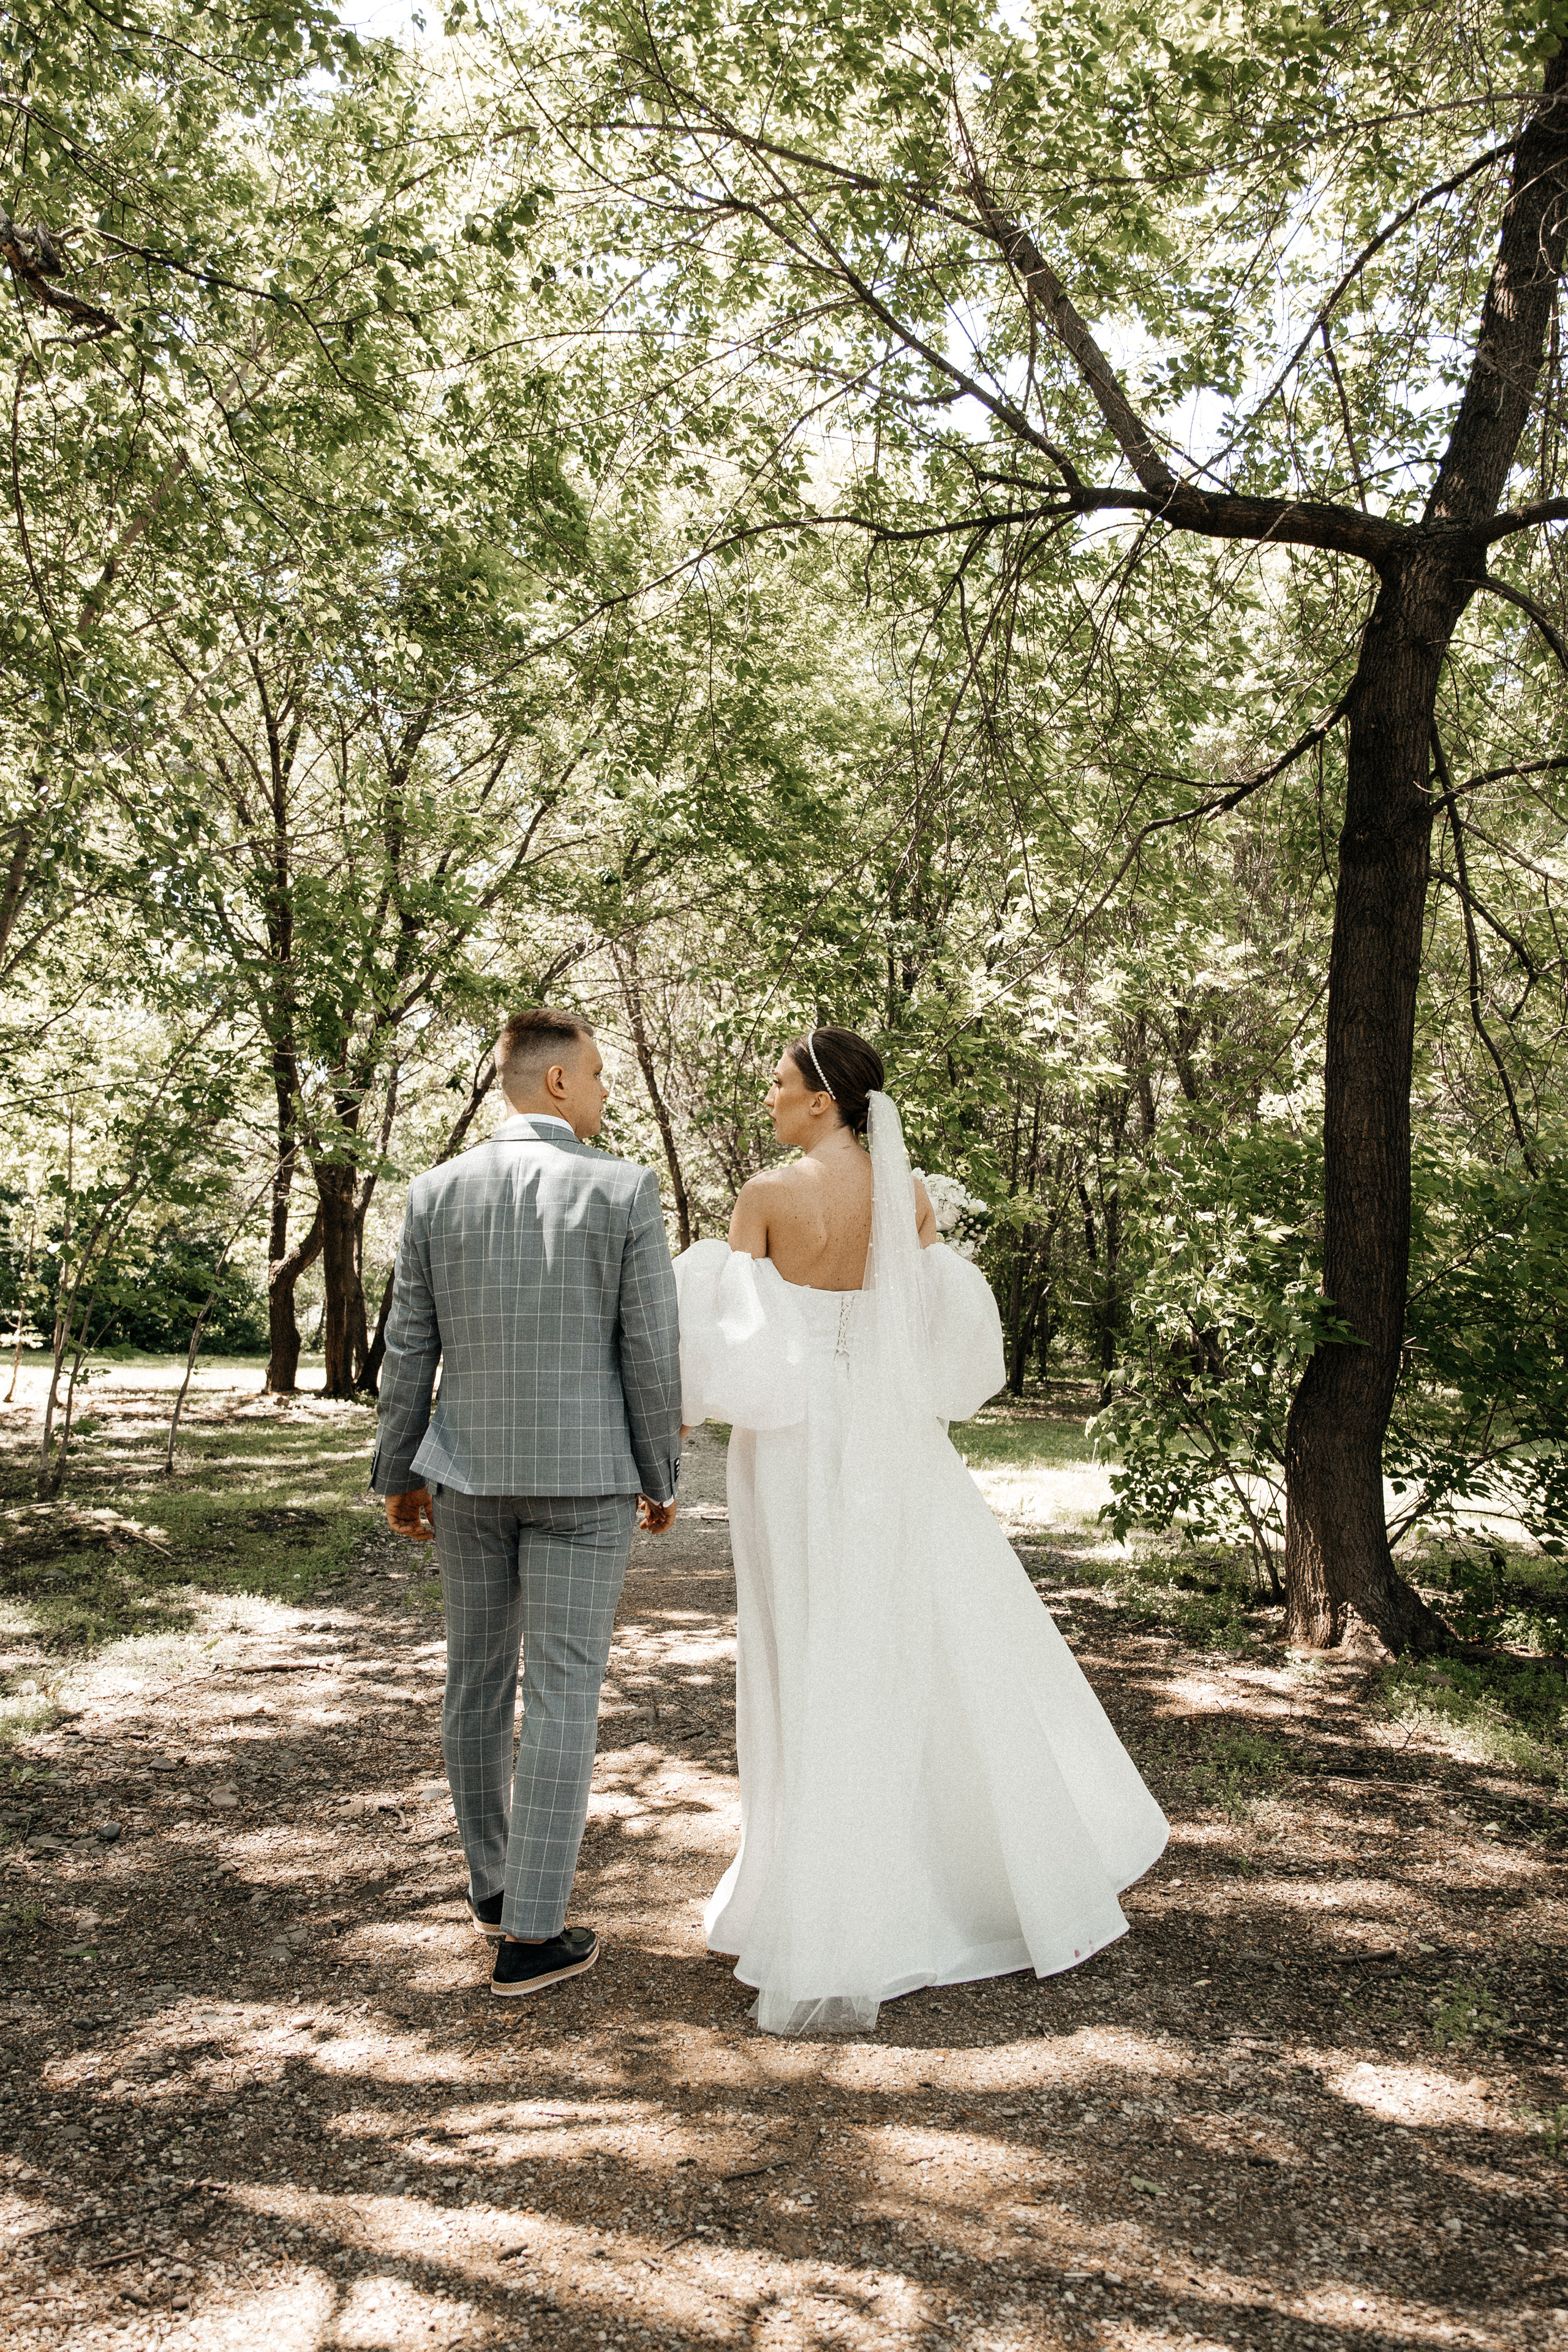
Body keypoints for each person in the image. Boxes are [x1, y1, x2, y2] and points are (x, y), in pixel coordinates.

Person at [674, 1026, 1167, 2035]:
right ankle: (955, 1880)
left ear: (821, 1099)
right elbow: (948, 1330)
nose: (768, 1099)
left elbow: (742, 1351)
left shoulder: (766, 1198)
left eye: (779, 1085)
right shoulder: (908, 1197)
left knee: (807, 1647)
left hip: (797, 1449)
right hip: (895, 1444)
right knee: (911, 1639)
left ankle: (823, 1900)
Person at [374, 1008, 682, 1997]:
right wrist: (659, 1475)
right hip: (587, 1483)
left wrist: (398, 1472)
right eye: (595, 1075)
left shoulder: (433, 1193)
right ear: (556, 1084)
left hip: (465, 1476)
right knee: (561, 1694)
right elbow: (648, 1353)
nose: (601, 1092)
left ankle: (497, 1888)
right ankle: (532, 1937)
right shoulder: (626, 1190)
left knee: (474, 1680)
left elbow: (407, 1351)